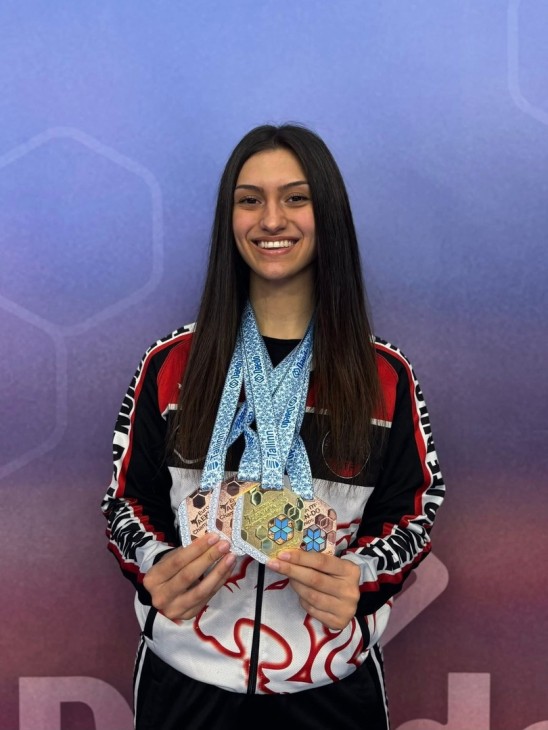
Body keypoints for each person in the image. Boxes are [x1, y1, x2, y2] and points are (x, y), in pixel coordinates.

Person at [101, 123, 445, 730]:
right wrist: (154, 565)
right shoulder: (171, 365)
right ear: (229, 218)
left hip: (330, 685)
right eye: (249, 199)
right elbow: (126, 501)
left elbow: (416, 508)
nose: (271, 219)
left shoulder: (384, 376)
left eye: (296, 197)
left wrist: (361, 579)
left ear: (327, 213)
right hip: (186, 680)